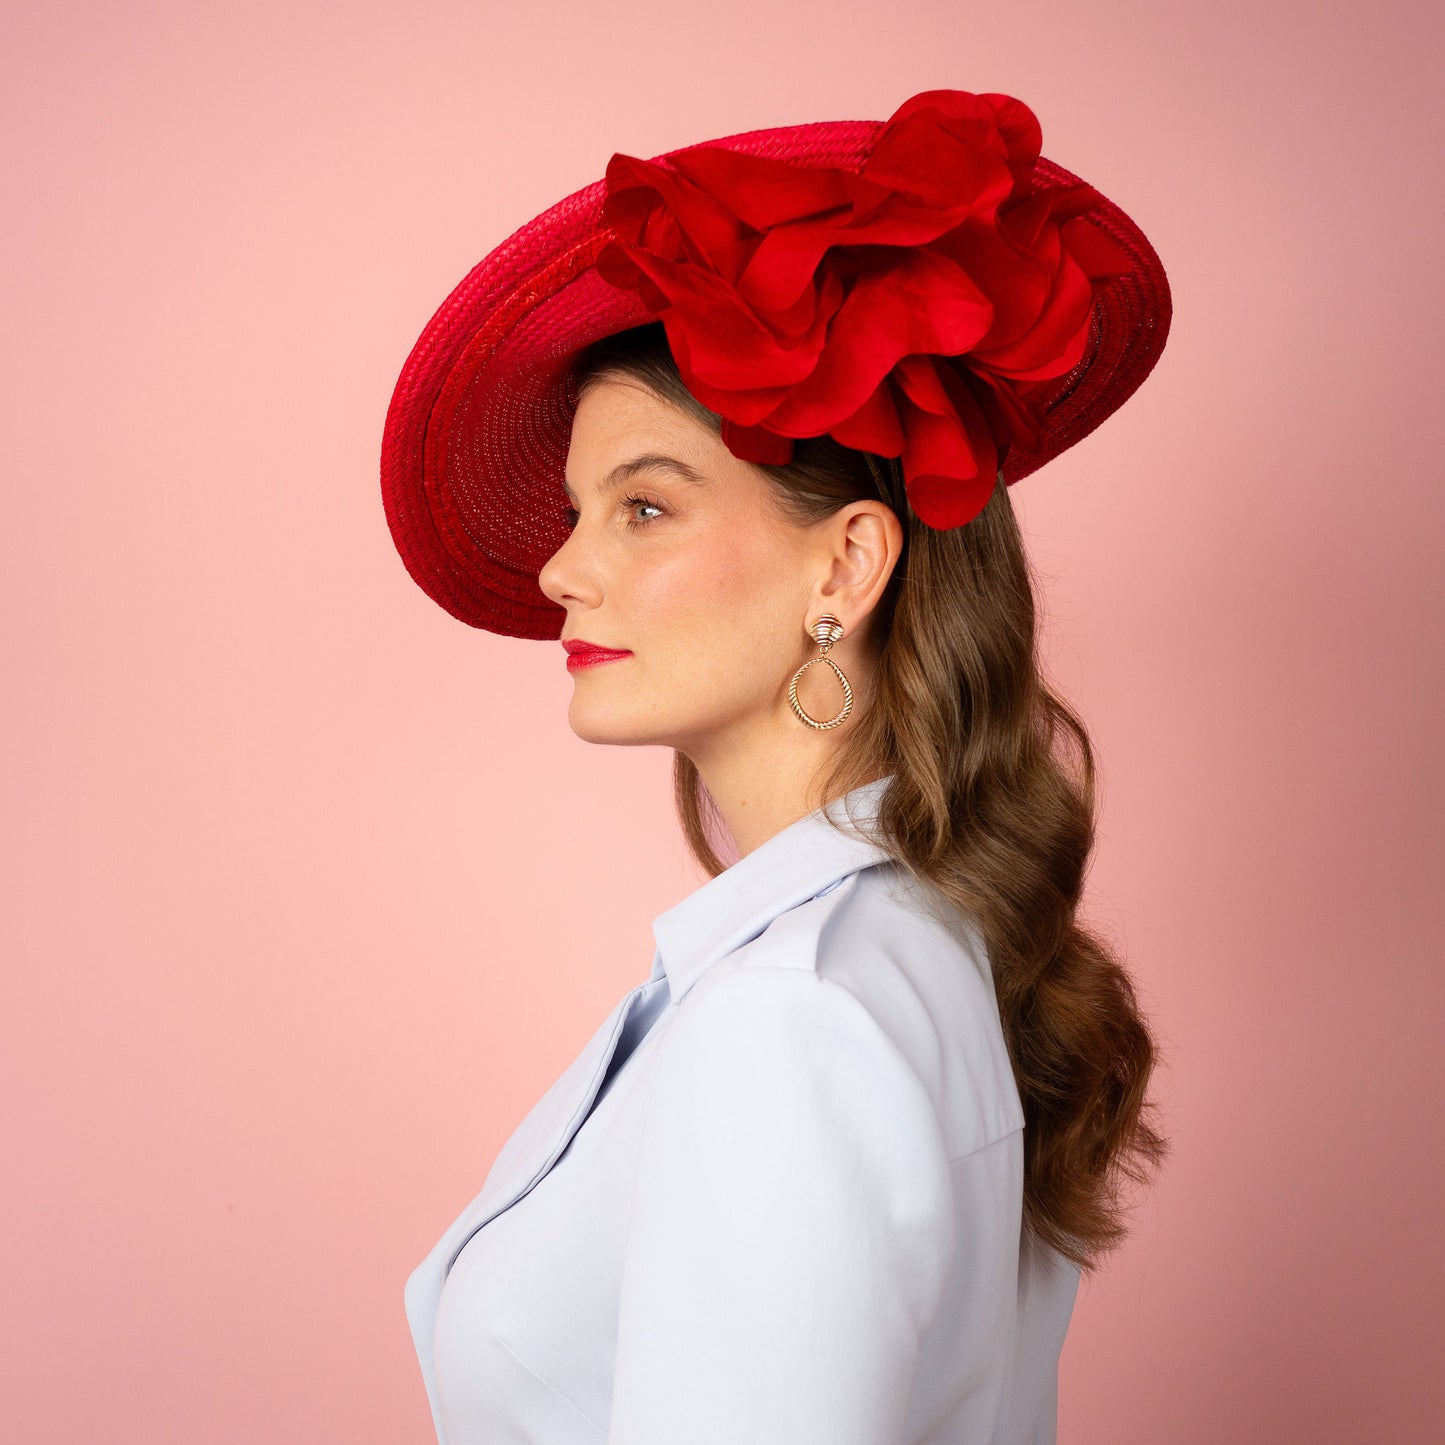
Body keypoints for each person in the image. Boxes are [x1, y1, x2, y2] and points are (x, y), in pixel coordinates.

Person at [380, 87, 1172, 1445]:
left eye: (643, 504)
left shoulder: (787, 1022)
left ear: (846, 561)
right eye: (578, 513)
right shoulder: (923, 947)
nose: (564, 569)